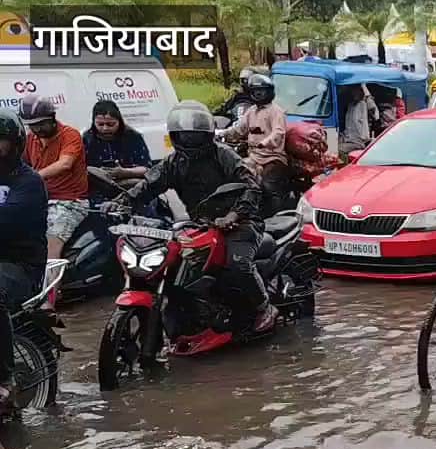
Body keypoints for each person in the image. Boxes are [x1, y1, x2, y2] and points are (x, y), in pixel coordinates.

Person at [102, 102, 277, 333]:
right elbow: (149, 185)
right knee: (174, 264)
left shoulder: (223, 155)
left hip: (242, 222)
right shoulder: (174, 162)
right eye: (184, 136)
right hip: (200, 223)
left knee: (237, 264)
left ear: (207, 136)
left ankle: (263, 307)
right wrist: (121, 201)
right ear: (175, 136)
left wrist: (234, 214)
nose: (189, 140)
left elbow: (251, 187)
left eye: (195, 136)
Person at [19, 94, 87, 307]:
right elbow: (18, 164)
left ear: (52, 118)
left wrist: (32, 178)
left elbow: (65, 164)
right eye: (32, 126)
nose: (36, 130)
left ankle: (49, 301)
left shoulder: (70, 135)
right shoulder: (30, 139)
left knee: (51, 244)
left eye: (40, 124)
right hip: (39, 197)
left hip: (70, 201)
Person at [0, 109, 47, 410]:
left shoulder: (28, 182)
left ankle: (4, 378)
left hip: (19, 266)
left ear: (15, 143)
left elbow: (6, 221)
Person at [218, 74, 290, 216]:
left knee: (268, 186)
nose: (259, 94)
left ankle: (276, 216)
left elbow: (278, 132)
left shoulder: (276, 112)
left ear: (270, 92)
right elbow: (239, 129)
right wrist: (221, 134)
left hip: (273, 157)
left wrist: (265, 143)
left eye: (262, 91)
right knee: (236, 175)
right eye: (256, 91)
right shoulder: (251, 111)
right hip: (254, 156)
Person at [82, 99, 152, 186]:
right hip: (99, 188)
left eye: (110, 124)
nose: (105, 128)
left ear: (119, 121)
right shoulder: (87, 139)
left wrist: (125, 172)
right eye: (100, 124)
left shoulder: (133, 137)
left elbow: (147, 168)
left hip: (131, 185)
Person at [339, 83, 376, 158]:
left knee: (339, 150)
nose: (354, 94)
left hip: (358, 141)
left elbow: (374, 111)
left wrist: (365, 89)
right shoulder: (350, 105)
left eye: (356, 91)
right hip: (347, 139)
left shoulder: (364, 104)